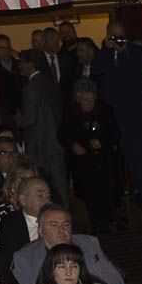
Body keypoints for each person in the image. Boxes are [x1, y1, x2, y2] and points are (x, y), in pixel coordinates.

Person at [92, 21, 142, 199]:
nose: (118, 40)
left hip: (135, 111)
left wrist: (124, 50)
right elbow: (96, 69)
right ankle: (131, 187)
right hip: (116, 112)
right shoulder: (107, 54)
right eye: (114, 36)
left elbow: (135, 72)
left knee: (139, 152)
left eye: (120, 36)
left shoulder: (137, 52)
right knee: (124, 151)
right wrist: (105, 48)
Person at [12, 203, 124, 284]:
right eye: (54, 224)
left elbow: (116, 280)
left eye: (66, 224)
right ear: (40, 231)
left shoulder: (89, 243)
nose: (62, 230)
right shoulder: (25, 257)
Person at [59, 79, 121, 235]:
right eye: (85, 100)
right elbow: (63, 134)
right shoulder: (71, 113)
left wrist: (103, 142)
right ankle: (95, 223)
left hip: (103, 160)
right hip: (83, 162)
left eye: (92, 99)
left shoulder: (105, 110)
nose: (89, 103)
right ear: (78, 99)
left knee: (105, 191)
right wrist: (73, 145)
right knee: (89, 193)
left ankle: (105, 222)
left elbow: (115, 133)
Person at [16, 50, 68, 204]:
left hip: (39, 145)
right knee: (60, 185)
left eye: (21, 62)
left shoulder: (30, 87)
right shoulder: (50, 82)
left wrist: (18, 120)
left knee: (37, 185)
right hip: (56, 141)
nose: (19, 66)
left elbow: (30, 119)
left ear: (30, 64)